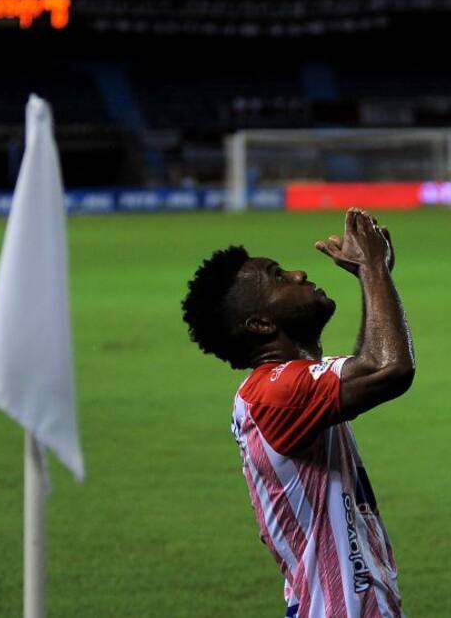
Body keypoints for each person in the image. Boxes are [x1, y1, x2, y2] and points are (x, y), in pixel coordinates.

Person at [181, 208, 414, 618]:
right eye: (278, 276)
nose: (300, 274)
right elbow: (388, 367)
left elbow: (368, 362)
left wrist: (371, 277)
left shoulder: (279, 387)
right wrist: (374, 267)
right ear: (259, 324)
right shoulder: (279, 391)